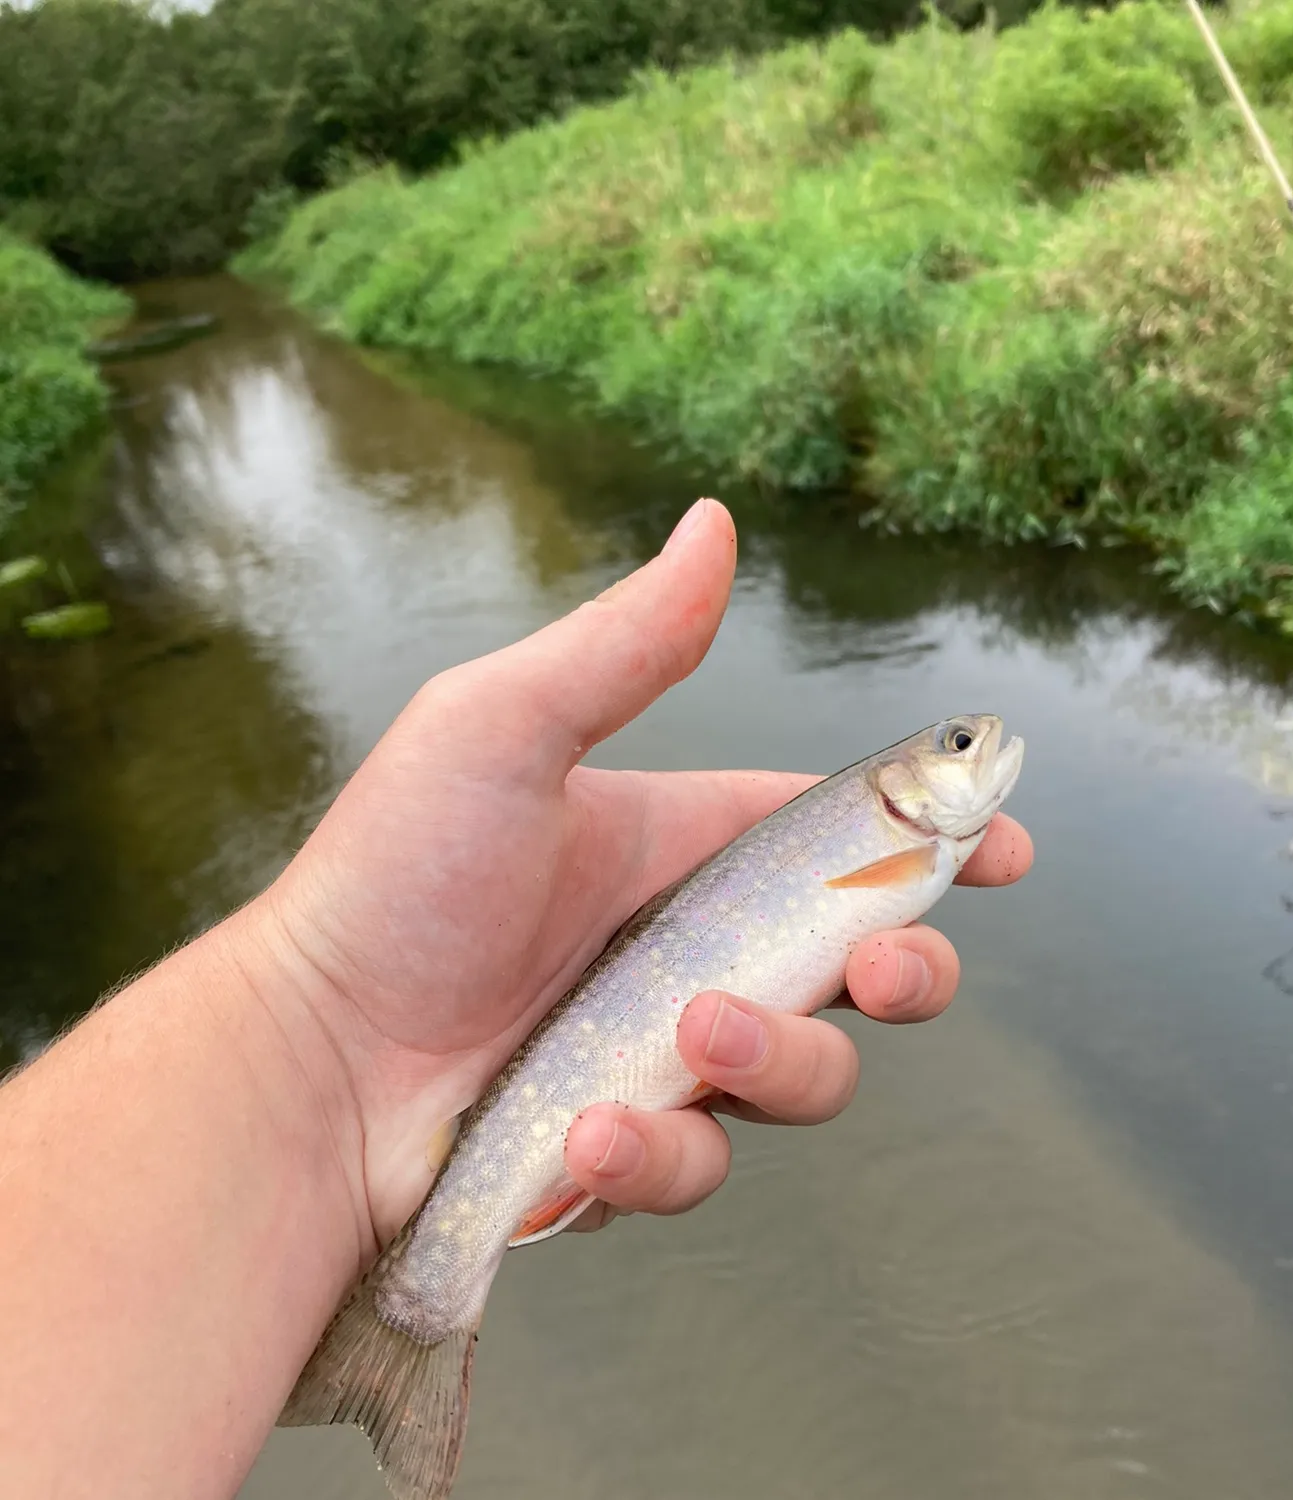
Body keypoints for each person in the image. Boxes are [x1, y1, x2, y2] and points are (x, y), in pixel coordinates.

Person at [0, 498, 1032, 1499]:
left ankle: (414, 1306)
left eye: (961, 744)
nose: (976, 745)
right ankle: (417, 1305)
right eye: (956, 745)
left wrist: (308, 1035)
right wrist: (315, 1026)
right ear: (907, 786)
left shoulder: (912, 841)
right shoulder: (904, 838)